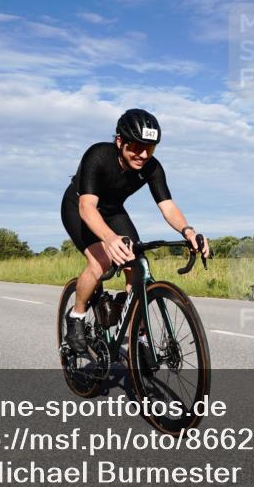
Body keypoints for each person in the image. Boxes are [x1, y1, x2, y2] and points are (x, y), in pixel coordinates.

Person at [60, 109, 209, 354]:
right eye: (137, 147)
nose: (143, 155)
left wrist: (188, 231)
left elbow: (168, 206)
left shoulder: (152, 167)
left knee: (138, 265)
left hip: (113, 211)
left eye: (150, 148)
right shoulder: (98, 155)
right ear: (120, 141)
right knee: (101, 262)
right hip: (78, 207)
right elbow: (87, 208)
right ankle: (76, 315)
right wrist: (109, 239)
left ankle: (136, 332)